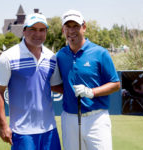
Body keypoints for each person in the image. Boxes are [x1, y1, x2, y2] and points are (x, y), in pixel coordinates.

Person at [0, 13, 62, 150]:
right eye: (33, 29)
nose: (38, 34)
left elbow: (55, 86)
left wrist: (86, 89)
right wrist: (3, 126)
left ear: (46, 32)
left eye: (42, 30)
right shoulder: (8, 57)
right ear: (24, 31)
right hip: (22, 133)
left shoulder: (51, 57)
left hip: (49, 130)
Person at [56, 9, 121, 150]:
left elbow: (115, 84)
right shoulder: (60, 56)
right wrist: (68, 91)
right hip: (69, 118)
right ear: (63, 30)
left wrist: (91, 92)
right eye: (68, 27)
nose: (71, 31)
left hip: (96, 118)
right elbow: (56, 84)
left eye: (76, 26)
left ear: (84, 27)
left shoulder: (100, 53)